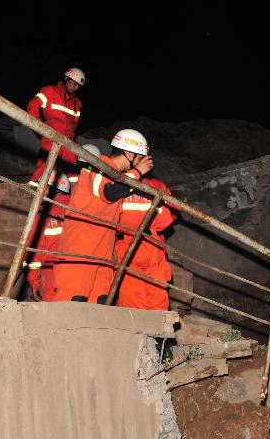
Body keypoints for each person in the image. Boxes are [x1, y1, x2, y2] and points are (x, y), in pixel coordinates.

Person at [51, 129, 153, 304]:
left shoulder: (120, 177)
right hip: (81, 246)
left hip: (103, 248)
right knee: (73, 298)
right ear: (129, 153)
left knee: (100, 300)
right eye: (140, 157)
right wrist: (137, 172)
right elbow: (109, 192)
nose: (142, 162)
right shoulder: (98, 166)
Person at [114, 176, 178, 310]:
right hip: (153, 241)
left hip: (126, 241)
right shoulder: (157, 185)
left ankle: (136, 326)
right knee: (156, 288)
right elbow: (172, 212)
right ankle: (159, 325)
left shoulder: (117, 184)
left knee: (130, 289)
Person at [26, 67, 85, 184]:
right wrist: (40, 129)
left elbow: (75, 124)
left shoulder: (76, 103)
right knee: (45, 166)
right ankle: (33, 189)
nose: (76, 87)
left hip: (68, 141)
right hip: (51, 136)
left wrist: (71, 138)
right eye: (74, 83)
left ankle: (74, 195)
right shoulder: (50, 91)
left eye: (78, 86)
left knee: (73, 173)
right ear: (66, 78)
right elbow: (32, 107)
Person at [25, 172, 71, 301]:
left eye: (43, 187)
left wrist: (35, 282)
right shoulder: (76, 209)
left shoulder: (43, 214)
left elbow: (35, 250)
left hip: (51, 274)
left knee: (53, 316)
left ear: (52, 188)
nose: (40, 192)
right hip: (76, 274)